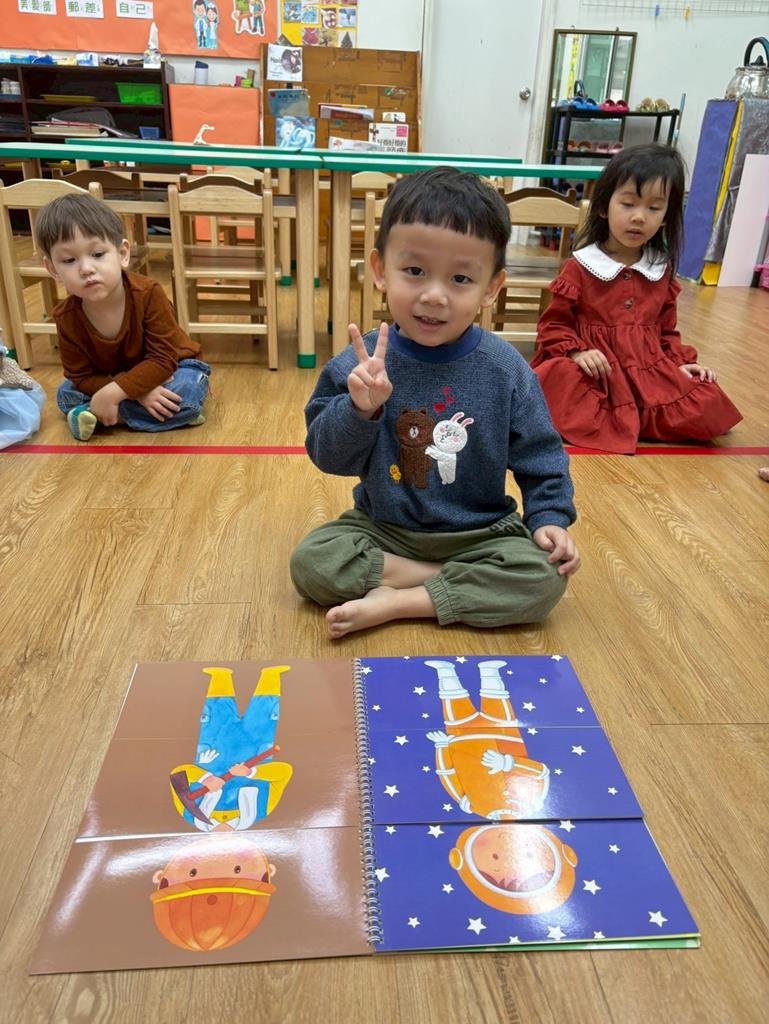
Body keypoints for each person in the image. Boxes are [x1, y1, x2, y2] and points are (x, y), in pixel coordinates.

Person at [290, 166, 579, 639]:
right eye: (415, 271)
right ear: (381, 270)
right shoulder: (361, 362)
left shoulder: (505, 368)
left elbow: (541, 457)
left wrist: (549, 519)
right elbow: (327, 457)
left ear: (491, 288)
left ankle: (400, 598)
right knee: (313, 562)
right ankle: (447, 586)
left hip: (482, 534)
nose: (434, 295)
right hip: (385, 529)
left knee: (545, 576)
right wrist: (360, 411)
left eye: (461, 278)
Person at [531, 143, 742, 455]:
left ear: (666, 216)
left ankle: (630, 415)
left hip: (646, 371)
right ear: (604, 207)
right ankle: (628, 416)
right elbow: (553, 326)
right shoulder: (581, 266)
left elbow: (666, 332)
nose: (639, 217)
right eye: (628, 204)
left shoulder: (659, 269)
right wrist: (577, 352)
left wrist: (683, 363)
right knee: (556, 378)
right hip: (598, 373)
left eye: (654, 208)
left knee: (707, 398)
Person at [36, 193, 210, 441]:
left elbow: (163, 361)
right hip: (114, 376)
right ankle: (146, 414)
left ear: (122, 254)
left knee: (187, 391)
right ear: (53, 269)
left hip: (173, 366)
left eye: (98, 254)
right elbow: (80, 376)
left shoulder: (148, 293)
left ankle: (107, 415)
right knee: (65, 393)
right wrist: (135, 391)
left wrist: (116, 393)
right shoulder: (66, 317)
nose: (86, 269)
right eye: (69, 260)